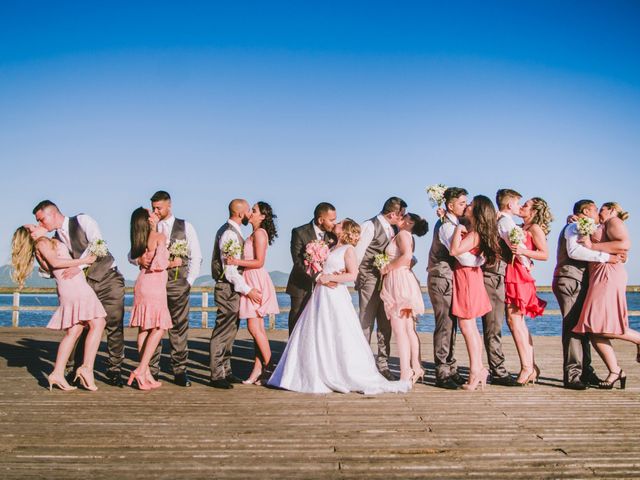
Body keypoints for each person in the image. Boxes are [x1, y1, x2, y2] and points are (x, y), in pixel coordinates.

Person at [268, 219, 411, 394]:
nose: (336, 224)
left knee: (337, 331)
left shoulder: (348, 250)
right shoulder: (331, 247)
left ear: (345, 231)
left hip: (335, 296)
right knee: (318, 331)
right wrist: (321, 273)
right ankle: (314, 371)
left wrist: (331, 278)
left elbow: (353, 274)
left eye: (340, 224)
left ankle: (340, 371)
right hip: (321, 295)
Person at [32, 200, 125, 387]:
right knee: (80, 326)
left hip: (107, 277)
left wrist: (79, 265)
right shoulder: (54, 239)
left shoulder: (82, 220)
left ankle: (114, 370)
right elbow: (51, 267)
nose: (41, 224)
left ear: (51, 213)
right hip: (83, 286)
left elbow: (98, 245)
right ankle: (75, 369)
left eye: (41, 220)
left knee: (113, 323)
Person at [11, 226, 106, 391]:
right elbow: (54, 263)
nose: (38, 225)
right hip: (75, 288)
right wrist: (83, 261)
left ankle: (57, 373)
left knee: (75, 330)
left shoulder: (43, 244)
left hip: (70, 286)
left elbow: (51, 268)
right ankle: (86, 368)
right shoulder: (41, 242)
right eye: (33, 227)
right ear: (31, 235)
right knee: (98, 323)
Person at [131, 191, 202, 387]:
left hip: (177, 284)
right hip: (153, 284)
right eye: (153, 207)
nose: (155, 211)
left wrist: (189, 282)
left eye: (159, 208)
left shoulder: (186, 226)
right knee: (149, 325)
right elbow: (132, 253)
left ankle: (179, 370)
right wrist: (137, 259)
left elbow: (196, 256)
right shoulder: (147, 227)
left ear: (169, 205)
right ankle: (150, 369)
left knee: (178, 327)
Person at [552, 199, 619, 390]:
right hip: (570, 279)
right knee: (573, 326)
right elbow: (574, 251)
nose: (598, 213)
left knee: (584, 326)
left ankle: (585, 372)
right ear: (587, 210)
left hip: (581, 282)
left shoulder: (583, 226)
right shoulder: (573, 225)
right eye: (596, 209)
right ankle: (572, 375)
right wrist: (606, 258)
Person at [573, 202, 639, 389]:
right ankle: (615, 371)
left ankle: (638, 339)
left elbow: (624, 244)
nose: (599, 211)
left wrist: (592, 246)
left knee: (596, 325)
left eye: (602, 208)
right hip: (599, 274)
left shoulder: (613, 220)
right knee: (593, 328)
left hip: (608, 274)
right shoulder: (601, 225)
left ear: (611, 209)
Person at [427, 187, 484, 389]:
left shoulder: (455, 223)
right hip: (441, 278)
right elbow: (461, 255)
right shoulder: (446, 227)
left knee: (452, 325)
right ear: (450, 205)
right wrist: (482, 259)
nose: (466, 206)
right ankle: (442, 372)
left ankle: (451, 368)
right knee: (444, 325)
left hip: (451, 279)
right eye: (462, 203)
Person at [225, 201, 280, 385]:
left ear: (262, 216)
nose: (250, 213)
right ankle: (258, 369)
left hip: (255, 278)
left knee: (254, 328)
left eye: (254, 211)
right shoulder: (253, 233)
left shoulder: (260, 234)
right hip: (249, 278)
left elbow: (259, 262)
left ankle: (271, 367)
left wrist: (235, 262)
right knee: (259, 329)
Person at [209, 199, 263, 389]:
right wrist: (249, 291)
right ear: (240, 214)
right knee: (222, 331)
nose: (249, 214)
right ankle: (216, 375)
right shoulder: (229, 234)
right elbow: (230, 270)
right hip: (227, 288)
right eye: (248, 210)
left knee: (231, 331)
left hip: (232, 289)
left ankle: (227, 370)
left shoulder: (235, 231)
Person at [450, 196, 501, 391]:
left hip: (467, 279)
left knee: (467, 326)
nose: (468, 206)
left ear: (477, 210)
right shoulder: (474, 229)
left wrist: (456, 230)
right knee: (470, 327)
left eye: (471, 204)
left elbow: (454, 250)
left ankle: (475, 371)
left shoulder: (474, 233)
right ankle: (478, 369)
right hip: (470, 277)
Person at [355, 197, 407, 381]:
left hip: (387, 282)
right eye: (400, 214)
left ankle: (383, 364)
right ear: (392, 213)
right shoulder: (369, 226)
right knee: (366, 321)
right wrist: (360, 279)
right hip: (369, 279)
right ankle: (363, 364)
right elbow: (357, 254)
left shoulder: (394, 229)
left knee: (385, 324)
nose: (402, 218)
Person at [504, 197, 551, 386]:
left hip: (520, 276)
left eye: (526, 205)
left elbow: (545, 254)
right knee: (516, 321)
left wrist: (523, 252)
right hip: (512, 272)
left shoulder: (534, 228)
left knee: (515, 320)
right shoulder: (519, 227)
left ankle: (527, 367)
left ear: (534, 211)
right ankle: (530, 366)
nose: (522, 207)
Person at [379, 213, 428, 386]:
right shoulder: (406, 235)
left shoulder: (402, 234)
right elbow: (410, 258)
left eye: (403, 216)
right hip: (403, 279)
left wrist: (387, 268)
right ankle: (416, 367)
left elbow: (407, 256)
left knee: (400, 329)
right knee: (408, 329)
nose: (400, 217)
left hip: (399, 281)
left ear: (409, 222)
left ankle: (405, 372)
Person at [127, 207, 172, 390]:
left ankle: (146, 375)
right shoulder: (158, 236)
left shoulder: (138, 239)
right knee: (160, 327)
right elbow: (160, 264)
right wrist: (173, 262)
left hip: (142, 284)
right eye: (150, 213)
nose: (154, 213)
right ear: (147, 220)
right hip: (154, 285)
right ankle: (141, 369)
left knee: (144, 328)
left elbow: (133, 257)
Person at [286, 202, 337, 334]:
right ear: (321, 220)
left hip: (324, 288)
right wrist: (318, 277)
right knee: (297, 319)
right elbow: (297, 261)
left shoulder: (333, 236)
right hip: (301, 285)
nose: (334, 223)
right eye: (332, 220)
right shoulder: (299, 232)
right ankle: (293, 352)